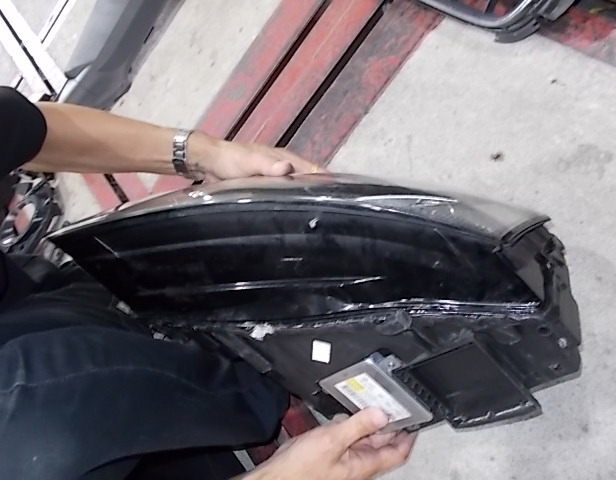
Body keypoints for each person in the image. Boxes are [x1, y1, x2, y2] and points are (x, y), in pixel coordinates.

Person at [0, 87, 416, 479]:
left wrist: (203, 155)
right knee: (50, 422)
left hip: (43, 313)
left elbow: (20, 126)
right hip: (56, 434)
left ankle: (234, 380)